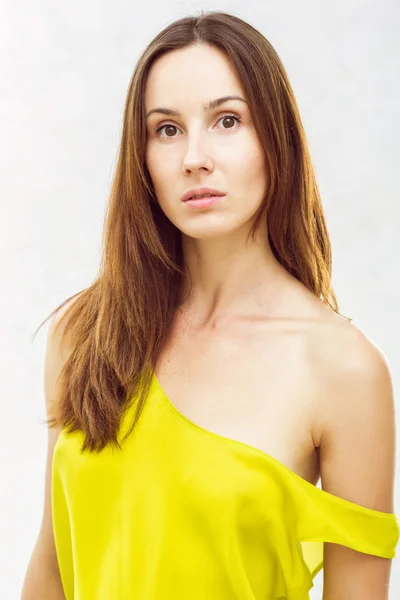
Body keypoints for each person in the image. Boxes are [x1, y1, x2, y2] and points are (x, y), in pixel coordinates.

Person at [21, 10, 399, 600]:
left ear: (276, 137)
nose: (195, 156)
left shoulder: (344, 371)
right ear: (141, 157)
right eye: (166, 129)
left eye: (227, 120)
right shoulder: (84, 332)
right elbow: (50, 571)